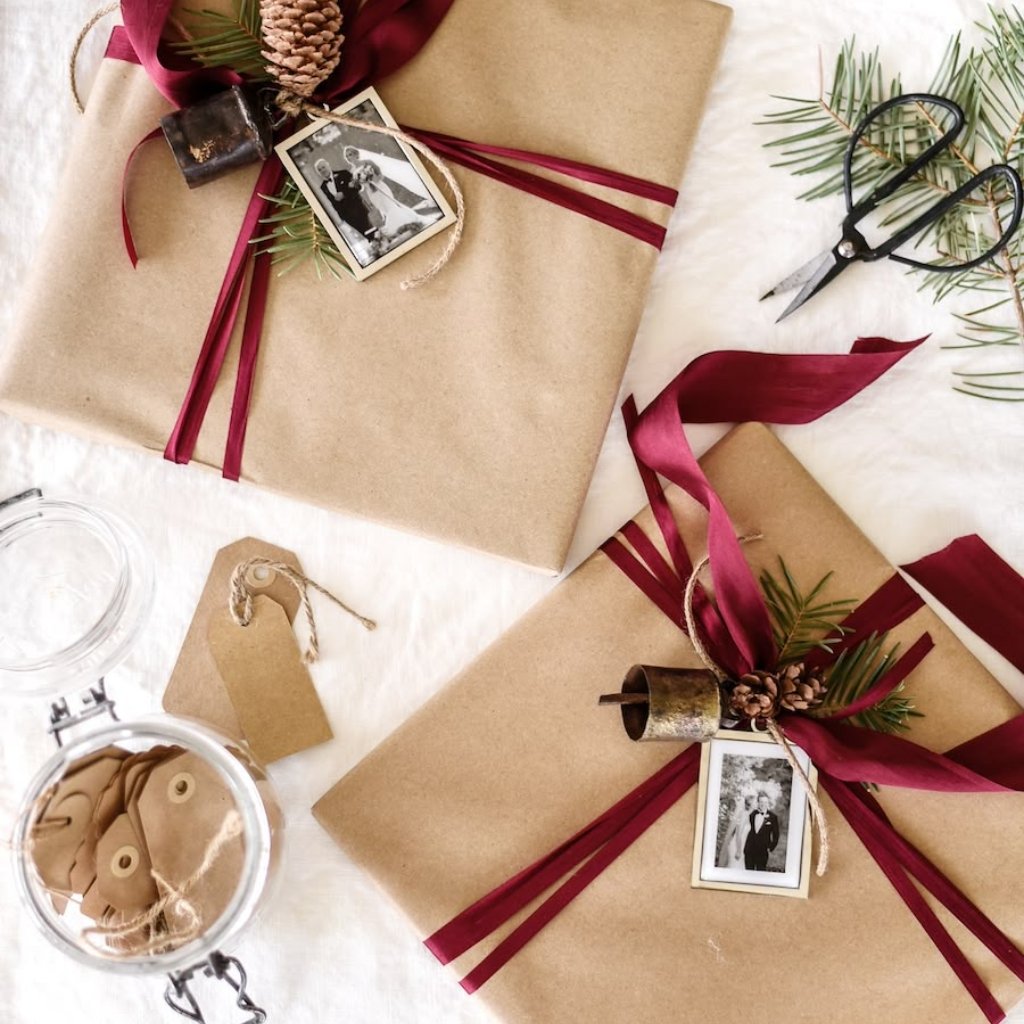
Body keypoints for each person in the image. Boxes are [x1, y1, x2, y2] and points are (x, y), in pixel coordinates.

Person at [342, 146, 431, 245]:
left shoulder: (367, 162)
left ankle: (400, 225)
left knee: (390, 206)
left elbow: (380, 174)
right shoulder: (351, 172)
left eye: (350, 154)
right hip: (370, 193)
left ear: (355, 154)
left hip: (381, 188)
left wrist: (372, 178)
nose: (349, 157)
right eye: (347, 156)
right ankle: (402, 223)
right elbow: (359, 187)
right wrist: (356, 183)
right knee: (383, 210)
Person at [313, 157, 379, 256]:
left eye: (323, 167)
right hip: (346, 215)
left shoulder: (343, 173)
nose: (322, 170)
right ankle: (379, 248)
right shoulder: (323, 187)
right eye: (319, 169)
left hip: (358, 208)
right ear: (318, 172)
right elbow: (333, 202)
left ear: (328, 164)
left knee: (370, 229)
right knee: (366, 234)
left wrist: (344, 193)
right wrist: (341, 216)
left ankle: (381, 245)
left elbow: (358, 187)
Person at [743, 792, 780, 871]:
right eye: (761, 802)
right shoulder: (752, 814)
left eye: (765, 802)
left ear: (768, 803)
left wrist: (771, 847)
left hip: (762, 850)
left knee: (760, 871)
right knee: (748, 872)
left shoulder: (773, 817)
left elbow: (776, 835)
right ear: (758, 803)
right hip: (749, 848)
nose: (763, 804)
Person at [720, 794, 755, 868]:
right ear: (751, 804)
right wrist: (739, 850)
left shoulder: (749, 815)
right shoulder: (744, 814)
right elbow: (738, 834)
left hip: (742, 845)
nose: (757, 804)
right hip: (737, 846)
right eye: (755, 802)